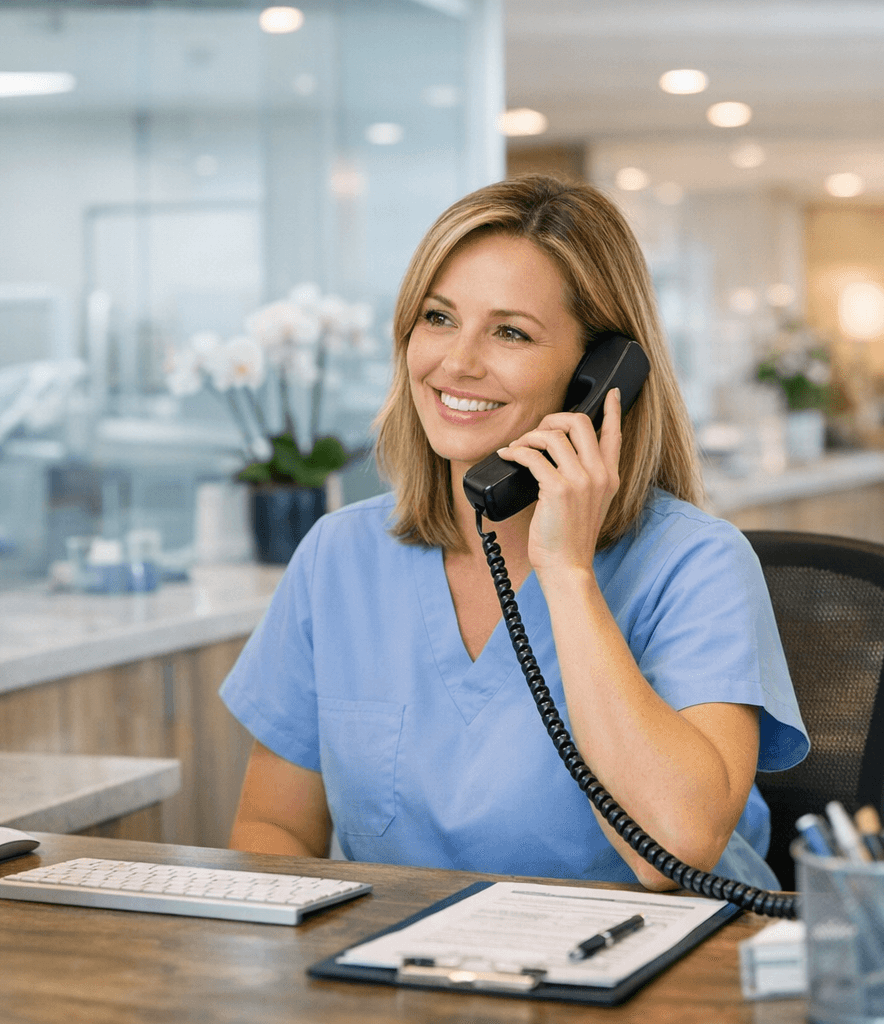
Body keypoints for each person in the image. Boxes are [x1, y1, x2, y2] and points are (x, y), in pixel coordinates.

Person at [221, 174, 809, 891]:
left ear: (601, 375)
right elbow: (274, 827)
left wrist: (567, 575)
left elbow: (675, 852)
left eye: (510, 332)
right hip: (405, 979)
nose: (457, 362)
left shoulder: (695, 564)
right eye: (438, 318)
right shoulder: (339, 556)